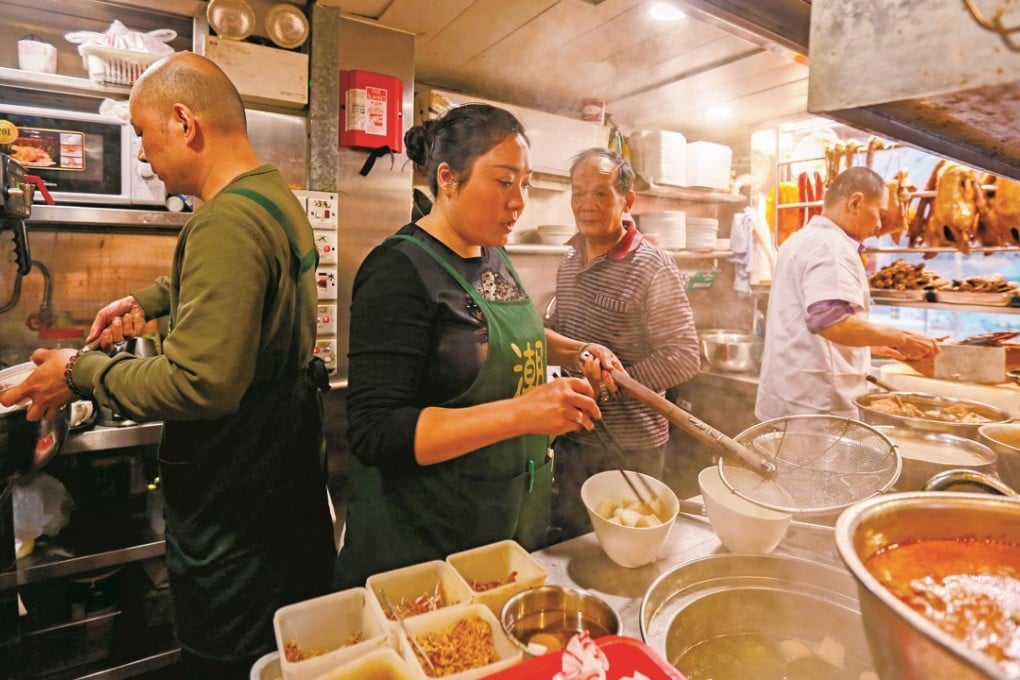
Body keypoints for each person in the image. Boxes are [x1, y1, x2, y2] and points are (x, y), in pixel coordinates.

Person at [0, 53, 335, 677]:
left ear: (184, 122)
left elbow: (198, 383)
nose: (145, 156)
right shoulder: (270, 195)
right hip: (280, 495)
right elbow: (251, 281)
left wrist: (78, 371)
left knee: (234, 663)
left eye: (142, 135)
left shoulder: (223, 220)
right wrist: (154, 299)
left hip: (240, 519)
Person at [334, 104, 621, 589]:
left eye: (525, 184)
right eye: (504, 181)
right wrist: (522, 414)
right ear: (448, 178)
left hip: (505, 530)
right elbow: (376, 432)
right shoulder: (397, 272)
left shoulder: (492, 252)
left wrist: (573, 350)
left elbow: (484, 337)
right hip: (427, 547)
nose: (519, 202)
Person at [545, 148, 702, 541]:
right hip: (573, 440)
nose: (586, 205)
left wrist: (611, 386)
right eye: (578, 193)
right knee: (570, 544)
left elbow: (684, 355)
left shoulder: (652, 266)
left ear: (626, 201)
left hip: (631, 448)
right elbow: (564, 336)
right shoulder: (568, 260)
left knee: (628, 548)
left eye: (600, 194)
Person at [755, 166, 940, 421]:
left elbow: (806, 322)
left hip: (791, 397)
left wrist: (874, 343)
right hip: (818, 409)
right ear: (856, 202)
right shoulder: (831, 246)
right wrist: (901, 336)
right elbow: (830, 322)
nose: (878, 225)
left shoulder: (800, 240)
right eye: (879, 213)